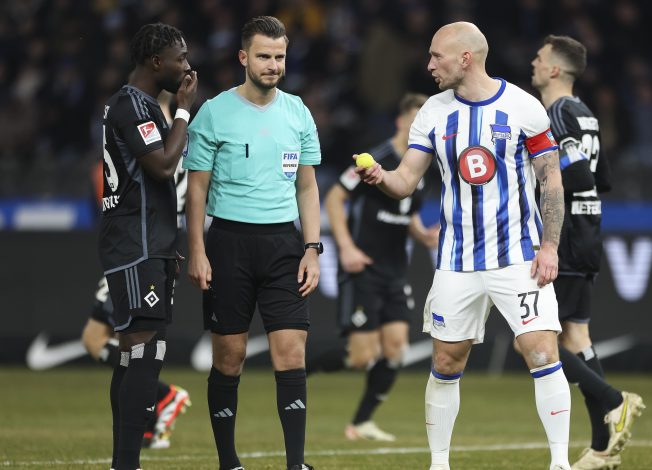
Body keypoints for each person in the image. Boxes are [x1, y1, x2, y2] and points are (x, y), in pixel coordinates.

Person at [357, 22, 571, 470]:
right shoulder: (433, 112)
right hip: (456, 260)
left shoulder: (523, 107)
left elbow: (551, 180)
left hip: (518, 254)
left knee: (541, 350)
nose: (429, 64)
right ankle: (439, 463)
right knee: (446, 360)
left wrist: (549, 247)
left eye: (437, 56)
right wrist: (381, 177)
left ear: (466, 58)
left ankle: (559, 463)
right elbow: (406, 180)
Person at [185, 16, 320, 470]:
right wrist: (198, 250)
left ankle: (295, 463)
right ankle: (228, 462)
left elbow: (307, 187)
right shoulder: (214, 112)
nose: (273, 64)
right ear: (243, 57)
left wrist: (313, 247)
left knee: (291, 351)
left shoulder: (298, 112)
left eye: (280, 56)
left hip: (285, 244)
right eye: (264, 56)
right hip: (228, 243)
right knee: (230, 355)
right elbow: (197, 189)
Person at [530, 35, 645, 469]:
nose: (534, 63)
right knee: (576, 337)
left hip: (569, 233)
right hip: (590, 227)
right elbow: (604, 179)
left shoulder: (556, 114)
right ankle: (602, 448)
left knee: (537, 338)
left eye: (540, 59)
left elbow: (576, 173)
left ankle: (615, 401)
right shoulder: (586, 114)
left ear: (555, 70)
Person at [307, 93, 439, 442]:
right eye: (414, 121)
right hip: (363, 264)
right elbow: (335, 197)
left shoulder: (422, 165)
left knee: (396, 349)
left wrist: (423, 236)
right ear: (400, 121)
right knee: (360, 356)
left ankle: (361, 422)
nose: (419, 128)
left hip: (395, 270)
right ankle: (296, 368)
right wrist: (346, 247)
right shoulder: (377, 158)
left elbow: (404, 210)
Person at [99, 22, 197, 470]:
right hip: (135, 245)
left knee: (137, 353)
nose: (186, 65)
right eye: (180, 57)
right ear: (156, 61)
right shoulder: (132, 106)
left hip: (149, 243)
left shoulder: (139, 105)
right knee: (143, 353)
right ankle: (126, 463)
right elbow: (160, 167)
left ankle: (126, 461)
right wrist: (183, 113)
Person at [81, 276, 191, 449]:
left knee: (129, 337)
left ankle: (160, 400)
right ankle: (158, 403)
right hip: (119, 257)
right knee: (94, 339)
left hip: (141, 261)